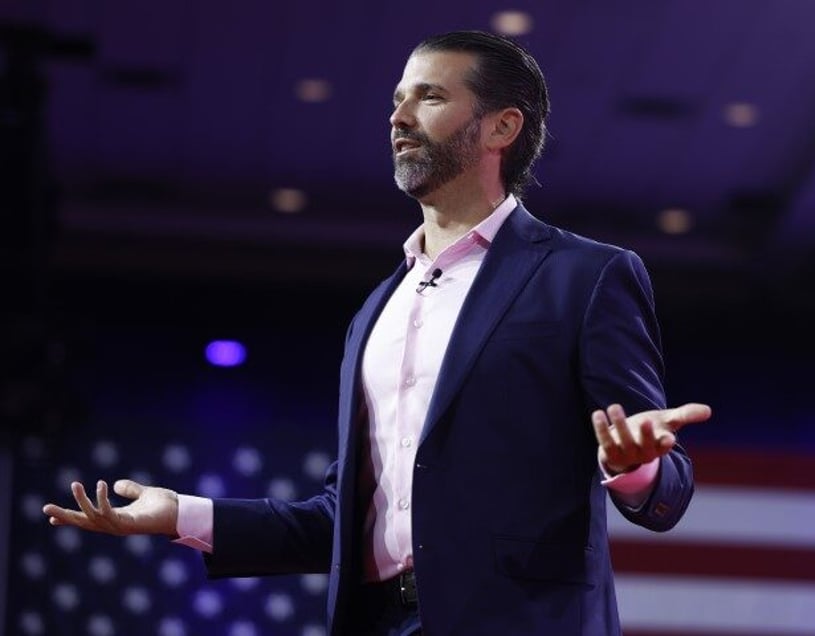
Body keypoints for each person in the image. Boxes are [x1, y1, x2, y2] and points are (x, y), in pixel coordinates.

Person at [43, 30, 712, 635]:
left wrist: (635, 466)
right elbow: (341, 521)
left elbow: (667, 488)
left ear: (501, 126)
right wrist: (180, 514)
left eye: (428, 97)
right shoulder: (376, 312)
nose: (396, 118)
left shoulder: (584, 276)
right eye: (397, 99)